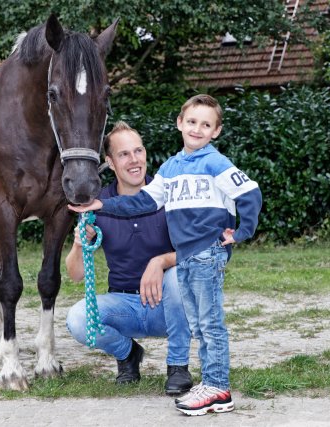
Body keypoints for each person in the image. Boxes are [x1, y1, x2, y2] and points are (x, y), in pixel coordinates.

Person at [68, 94, 262, 416]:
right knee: (202, 325)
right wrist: (97, 213)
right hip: (153, 284)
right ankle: (181, 373)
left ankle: (206, 381)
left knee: (208, 323)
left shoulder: (208, 165)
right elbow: (143, 202)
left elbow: (249, 192)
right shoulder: (170, 171)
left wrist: (243, 231)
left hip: (194, 270)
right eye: (191, 122)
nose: (197, 129)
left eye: (205, 124)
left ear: (216, 131)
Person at [65, 121, 193, 396]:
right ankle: (128, 355)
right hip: (126, 306)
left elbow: (197, 251)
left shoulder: (169, 193)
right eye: (124, 154)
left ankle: (178, 366)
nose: (134, 160)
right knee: (77, 319)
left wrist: (160, 262)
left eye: (138, 151)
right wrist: (79, 245)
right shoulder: (99, 204)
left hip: (170, 306)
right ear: (110, 162)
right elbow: (76, 275)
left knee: (177, 277)